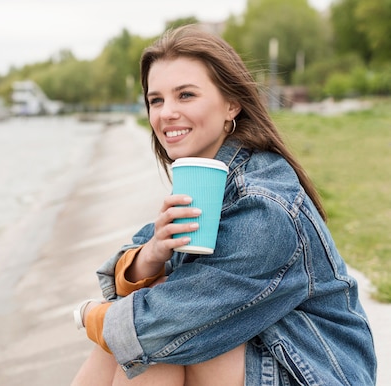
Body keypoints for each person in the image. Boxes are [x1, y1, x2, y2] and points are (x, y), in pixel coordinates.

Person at [71, 24, 377, 385]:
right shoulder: (209, 178)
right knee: (145, 344)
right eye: (156, 100)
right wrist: (152, 253)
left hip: (316, 373)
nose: (166, 112)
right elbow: (130, 274)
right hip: (262, 353)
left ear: (231, 103)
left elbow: (160, 325)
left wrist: (89, 315)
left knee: (153, 351)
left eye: (185, 95)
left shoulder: (264, 205)